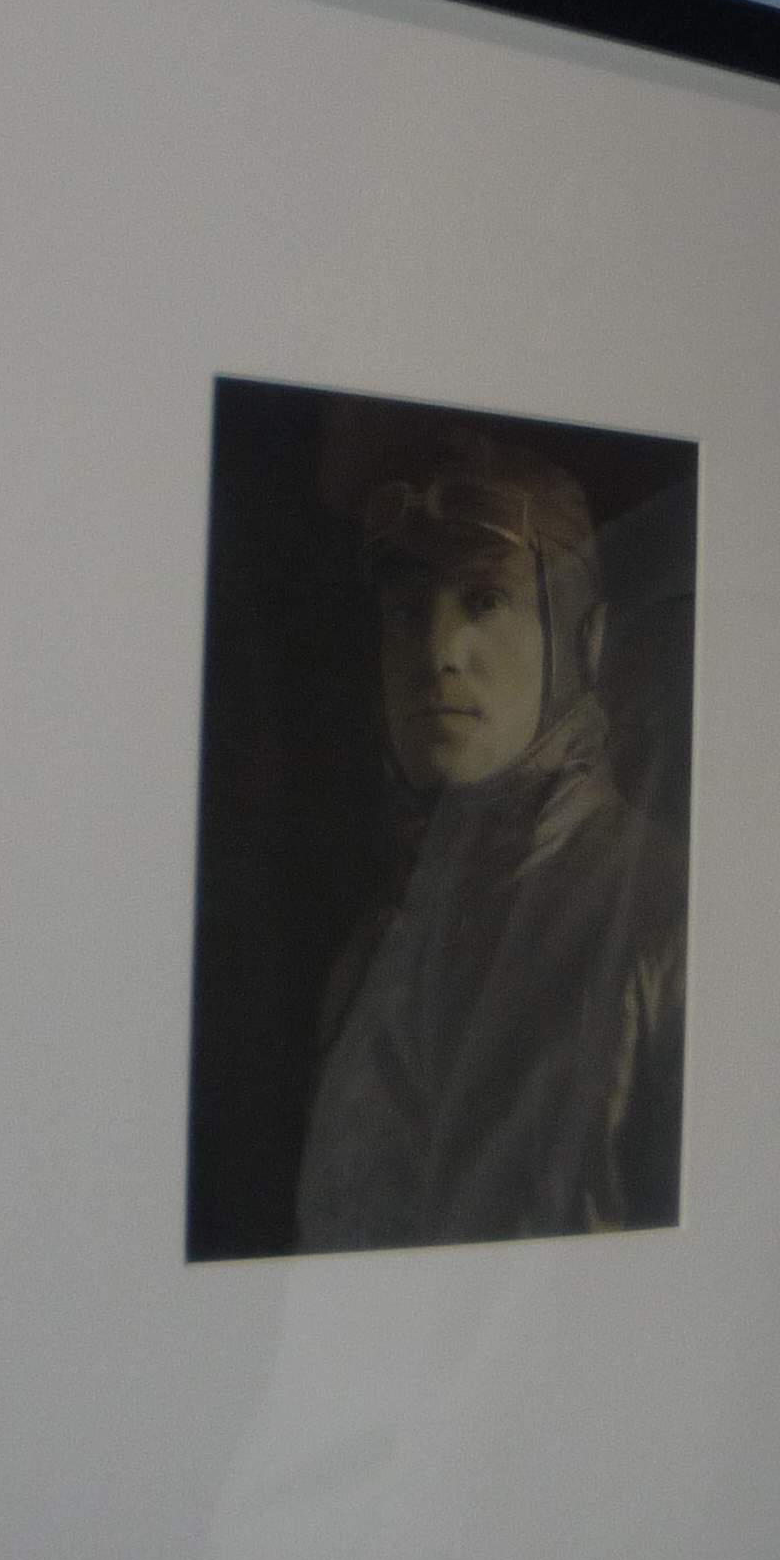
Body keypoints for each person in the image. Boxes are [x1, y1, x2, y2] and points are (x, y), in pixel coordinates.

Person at [294, 423, 683, 1250]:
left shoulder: (671, 918)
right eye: (409, 611)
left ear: (585, 642)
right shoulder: (374, 954)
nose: (437, 651)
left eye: (483, 601)